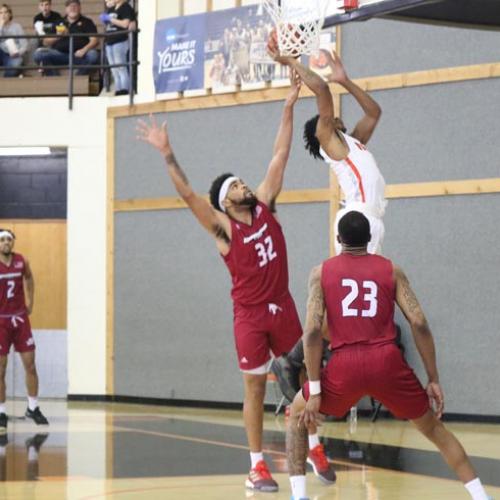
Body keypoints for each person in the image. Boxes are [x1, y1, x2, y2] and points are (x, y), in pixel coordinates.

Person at [137, 73, 308, 493]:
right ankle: (256, 466)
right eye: (236, 186)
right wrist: (167, 153)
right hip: (249, 315)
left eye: (242, 181)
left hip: (282, 304)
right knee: (254, 388)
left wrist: (288, 106)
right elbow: (188, 196)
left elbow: (281, 152)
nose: (245, 185)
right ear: (226, 202)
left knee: (305, 377)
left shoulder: (266, 202)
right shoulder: (223, 231)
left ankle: (314, 447)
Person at [286, 210, 492, 500]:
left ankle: (299, 495)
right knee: (435, 430)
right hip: (386, 362)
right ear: (370, 239)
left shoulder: (321, 273)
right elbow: (418, 322)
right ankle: (480, 495)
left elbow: (311, 333)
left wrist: (316, 390)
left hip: (345, 366)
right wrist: (432, 378)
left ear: (338, 239)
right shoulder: (391, 270)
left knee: (296, 411)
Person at [0, 229, 49, 431]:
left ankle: (33, 407)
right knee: (0, 370)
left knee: (30, 366)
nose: (5, 243)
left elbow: (29, 279)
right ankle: (1, 411)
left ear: (13, 243)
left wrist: (31, 301)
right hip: (1, 321)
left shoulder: (22, 261)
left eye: (8, 240)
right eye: (2, 240)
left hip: (20, 319)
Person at [33, 0, 99, 76]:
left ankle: (77, 78)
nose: (72, 8)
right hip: (60, 54)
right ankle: (55, 78)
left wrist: (84, 50)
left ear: (80, 8)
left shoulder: (87, 22)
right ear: (66, 9)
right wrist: (58, 36)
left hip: (79, 55)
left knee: (93, 55)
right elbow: (45, 42)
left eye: (75, 6)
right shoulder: (58, 22)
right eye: (70, 6)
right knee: (38, 54)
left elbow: (95, 40)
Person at [100, 0, 136, 95]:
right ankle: (118, 89)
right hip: (109, 41)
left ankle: (125, 89)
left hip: (120, 40)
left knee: (121, 67)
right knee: (114, 69)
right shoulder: (111, 8)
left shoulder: (126, 7)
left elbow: (125, 24)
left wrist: (110, 19)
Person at [0, 4, 28, 77]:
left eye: (5, 12)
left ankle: (4, 81)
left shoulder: (17, 26)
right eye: (1, 13)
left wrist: (18, 53)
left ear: (10, 14)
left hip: (14, 55)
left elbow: (24, 45)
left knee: (16, 62)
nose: (3, 15)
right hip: (2, 53)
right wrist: (1, 26)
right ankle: (18, 72)